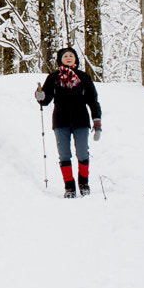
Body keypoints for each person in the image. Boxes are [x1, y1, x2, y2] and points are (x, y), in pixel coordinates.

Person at [34, 46, 102, 197]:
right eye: (65, 56)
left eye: (72, 55)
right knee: (64, 155)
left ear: (76, 59)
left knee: (83, 152)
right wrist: (39, 96)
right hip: (60, 121)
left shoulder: (84, 77)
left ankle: (84, 184)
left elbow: (92, 100)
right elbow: (45, 100)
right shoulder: (53, 77)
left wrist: (97, 122)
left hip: (81, 121)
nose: (69, 58)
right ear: (60, 60)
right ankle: (69, 187)